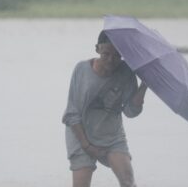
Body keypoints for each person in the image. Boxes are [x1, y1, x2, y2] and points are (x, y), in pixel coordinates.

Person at [62, 31, 148, 187]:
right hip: (80, 133)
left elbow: (130, 112)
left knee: (128, 182)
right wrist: (87, 146)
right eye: (106, 54)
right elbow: (71, 114)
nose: (111, 60)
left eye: (117, 55)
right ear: (97, 49)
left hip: (112, 136)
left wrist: (144, 86)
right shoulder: (82, 70)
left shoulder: (126, 73)